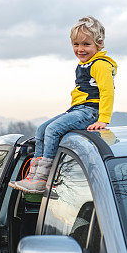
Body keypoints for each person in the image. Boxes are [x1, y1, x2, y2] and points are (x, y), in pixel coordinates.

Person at [11, 16, 117, 193]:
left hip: (90, 111)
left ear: (98, 44)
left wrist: (103, 119)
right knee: (41, 130)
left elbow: (107, 92)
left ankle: (43, 178)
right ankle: (33, 176)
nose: (80, 49)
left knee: (53, 130)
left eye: (86, 44)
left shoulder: (100, 65)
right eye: (76, 44)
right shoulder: (84, 64)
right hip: (77, 109)